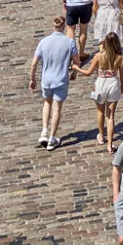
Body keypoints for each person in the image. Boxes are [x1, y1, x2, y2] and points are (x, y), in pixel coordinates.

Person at [29, 16, 78, 151]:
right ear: (63, 27)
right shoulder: (69, 42)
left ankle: (44, 131)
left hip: (46, 79)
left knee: (47, 103)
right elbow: (76, 62)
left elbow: (34, 64)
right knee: (57, 109)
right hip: (60, 79)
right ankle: (52, 138)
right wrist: (74, 74)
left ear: (53, 26)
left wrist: (32, 79)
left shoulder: (43, 42)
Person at [74, 32, 123, 151]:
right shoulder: (120, 58)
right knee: (111, 116)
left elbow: (88, 73)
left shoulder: (99, 56)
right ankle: (109, 145)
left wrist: (77, 68)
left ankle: (101, 135)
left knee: (100, 111)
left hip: (101, 83)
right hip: (113, 83)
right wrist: (122, 86)